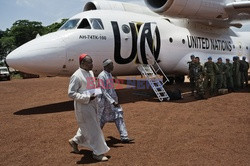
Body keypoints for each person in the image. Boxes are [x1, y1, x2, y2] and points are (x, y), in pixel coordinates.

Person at [68, 54, 110, 161]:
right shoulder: (76, 76)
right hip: (83, 106)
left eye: (92, 62)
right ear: (82, 63)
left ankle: (75, 141)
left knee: (90, 125)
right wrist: (87, 97)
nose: (92, 64)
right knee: (94, 129)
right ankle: (98, 153)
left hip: (92, 103)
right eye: (90, 62)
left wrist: (96, 92)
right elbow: (71, 93)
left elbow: (91, 87)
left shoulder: (90, 72)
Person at [97, 59, 133, 143]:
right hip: (105, 103)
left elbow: (111, 90)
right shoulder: (101, 76)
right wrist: (112, 101)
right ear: (106, 66)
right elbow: (103, 90)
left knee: (118, 116)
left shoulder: (109, 74)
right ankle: (94, 137)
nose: (113, 66)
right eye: (111, 65)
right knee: (101, 120)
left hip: (112, 101)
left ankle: (124, 137)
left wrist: (114, 100)